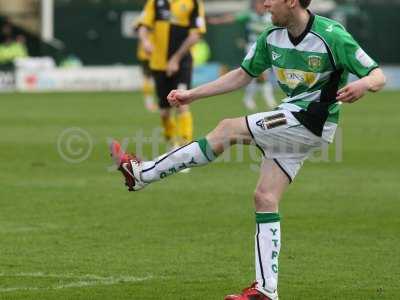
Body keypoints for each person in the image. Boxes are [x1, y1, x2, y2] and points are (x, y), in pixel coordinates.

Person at [110, 0, 386, 299]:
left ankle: (143, 174)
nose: (265, 4)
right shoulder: (271, 37)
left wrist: (364, 85)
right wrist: (193, 95)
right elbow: (242, 75)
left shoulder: (331, 35)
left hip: (311, 120)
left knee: (228, 129)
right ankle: (266, 289)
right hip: (293, 117)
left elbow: (377, 75)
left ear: (292, 1)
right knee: (265, 198)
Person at [136, 0, 206, 147]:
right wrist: (145, 41)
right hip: (158, 64)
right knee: (164, 111)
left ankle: (185, 148)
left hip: (182, 63)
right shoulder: (155, 2)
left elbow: (195, 35)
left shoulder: (193, 3)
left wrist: (175, 59)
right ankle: (170, 142)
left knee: (182, 103)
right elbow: (142, 25)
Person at [208, 0, 277, 111]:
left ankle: (249, 98)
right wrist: (217, 21)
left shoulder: (271, 17)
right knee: (259, 75)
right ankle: (268, 100)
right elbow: (232, 18)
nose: (258, 6)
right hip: (253, 48)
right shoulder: (250, 15)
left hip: (267, 48)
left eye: (260, 3)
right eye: (256, 4)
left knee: (257, 76)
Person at [134, 19, 157, 112]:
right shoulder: (147, 16)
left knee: (149, 78)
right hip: (149, 53)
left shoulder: (146, 17)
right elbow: (137, 27)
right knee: (148, 78)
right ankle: (149, 103)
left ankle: (150, 103)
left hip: (151, 52)